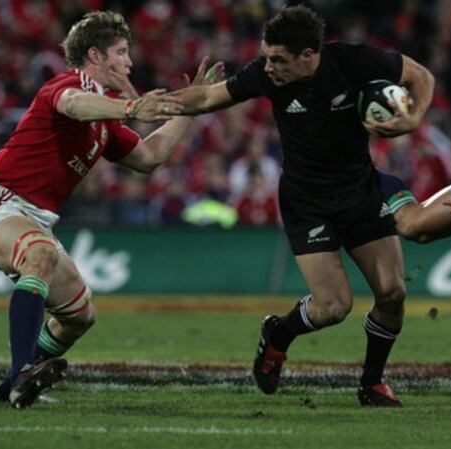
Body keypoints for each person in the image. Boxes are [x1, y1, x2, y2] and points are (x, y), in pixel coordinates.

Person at [166, 5, 434, 406]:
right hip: (307, 202)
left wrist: (413, 121)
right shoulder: (265, 75)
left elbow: (420, 75)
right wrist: (149, 104)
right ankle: (278, 334)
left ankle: (372, 383)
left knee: (393, 293)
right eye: (267, 56)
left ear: (309, 55)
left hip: (360, 191)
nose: (269, 66)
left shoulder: (353, 61)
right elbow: (208, 96)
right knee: (333, 307)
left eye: (279, 59)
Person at [0, 11, 221, 408]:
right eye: (121, 52)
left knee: (80, 316)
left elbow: (149, 156)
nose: (130, 62)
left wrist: (190, 111)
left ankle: (8, 388)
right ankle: (21, 377)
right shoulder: (69, 84)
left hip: (36, 219)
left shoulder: (109, 118)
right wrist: (132, 107)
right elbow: (75, 105)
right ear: (95, 55)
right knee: (41, 254)